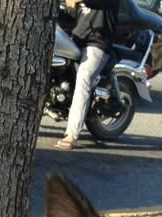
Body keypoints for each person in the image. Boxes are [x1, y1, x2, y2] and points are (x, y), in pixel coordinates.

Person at [57, 0, 119, 150]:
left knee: (83, 77)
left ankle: (72, 134)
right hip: (76, 40)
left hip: (97, 44)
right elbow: (72, 16)